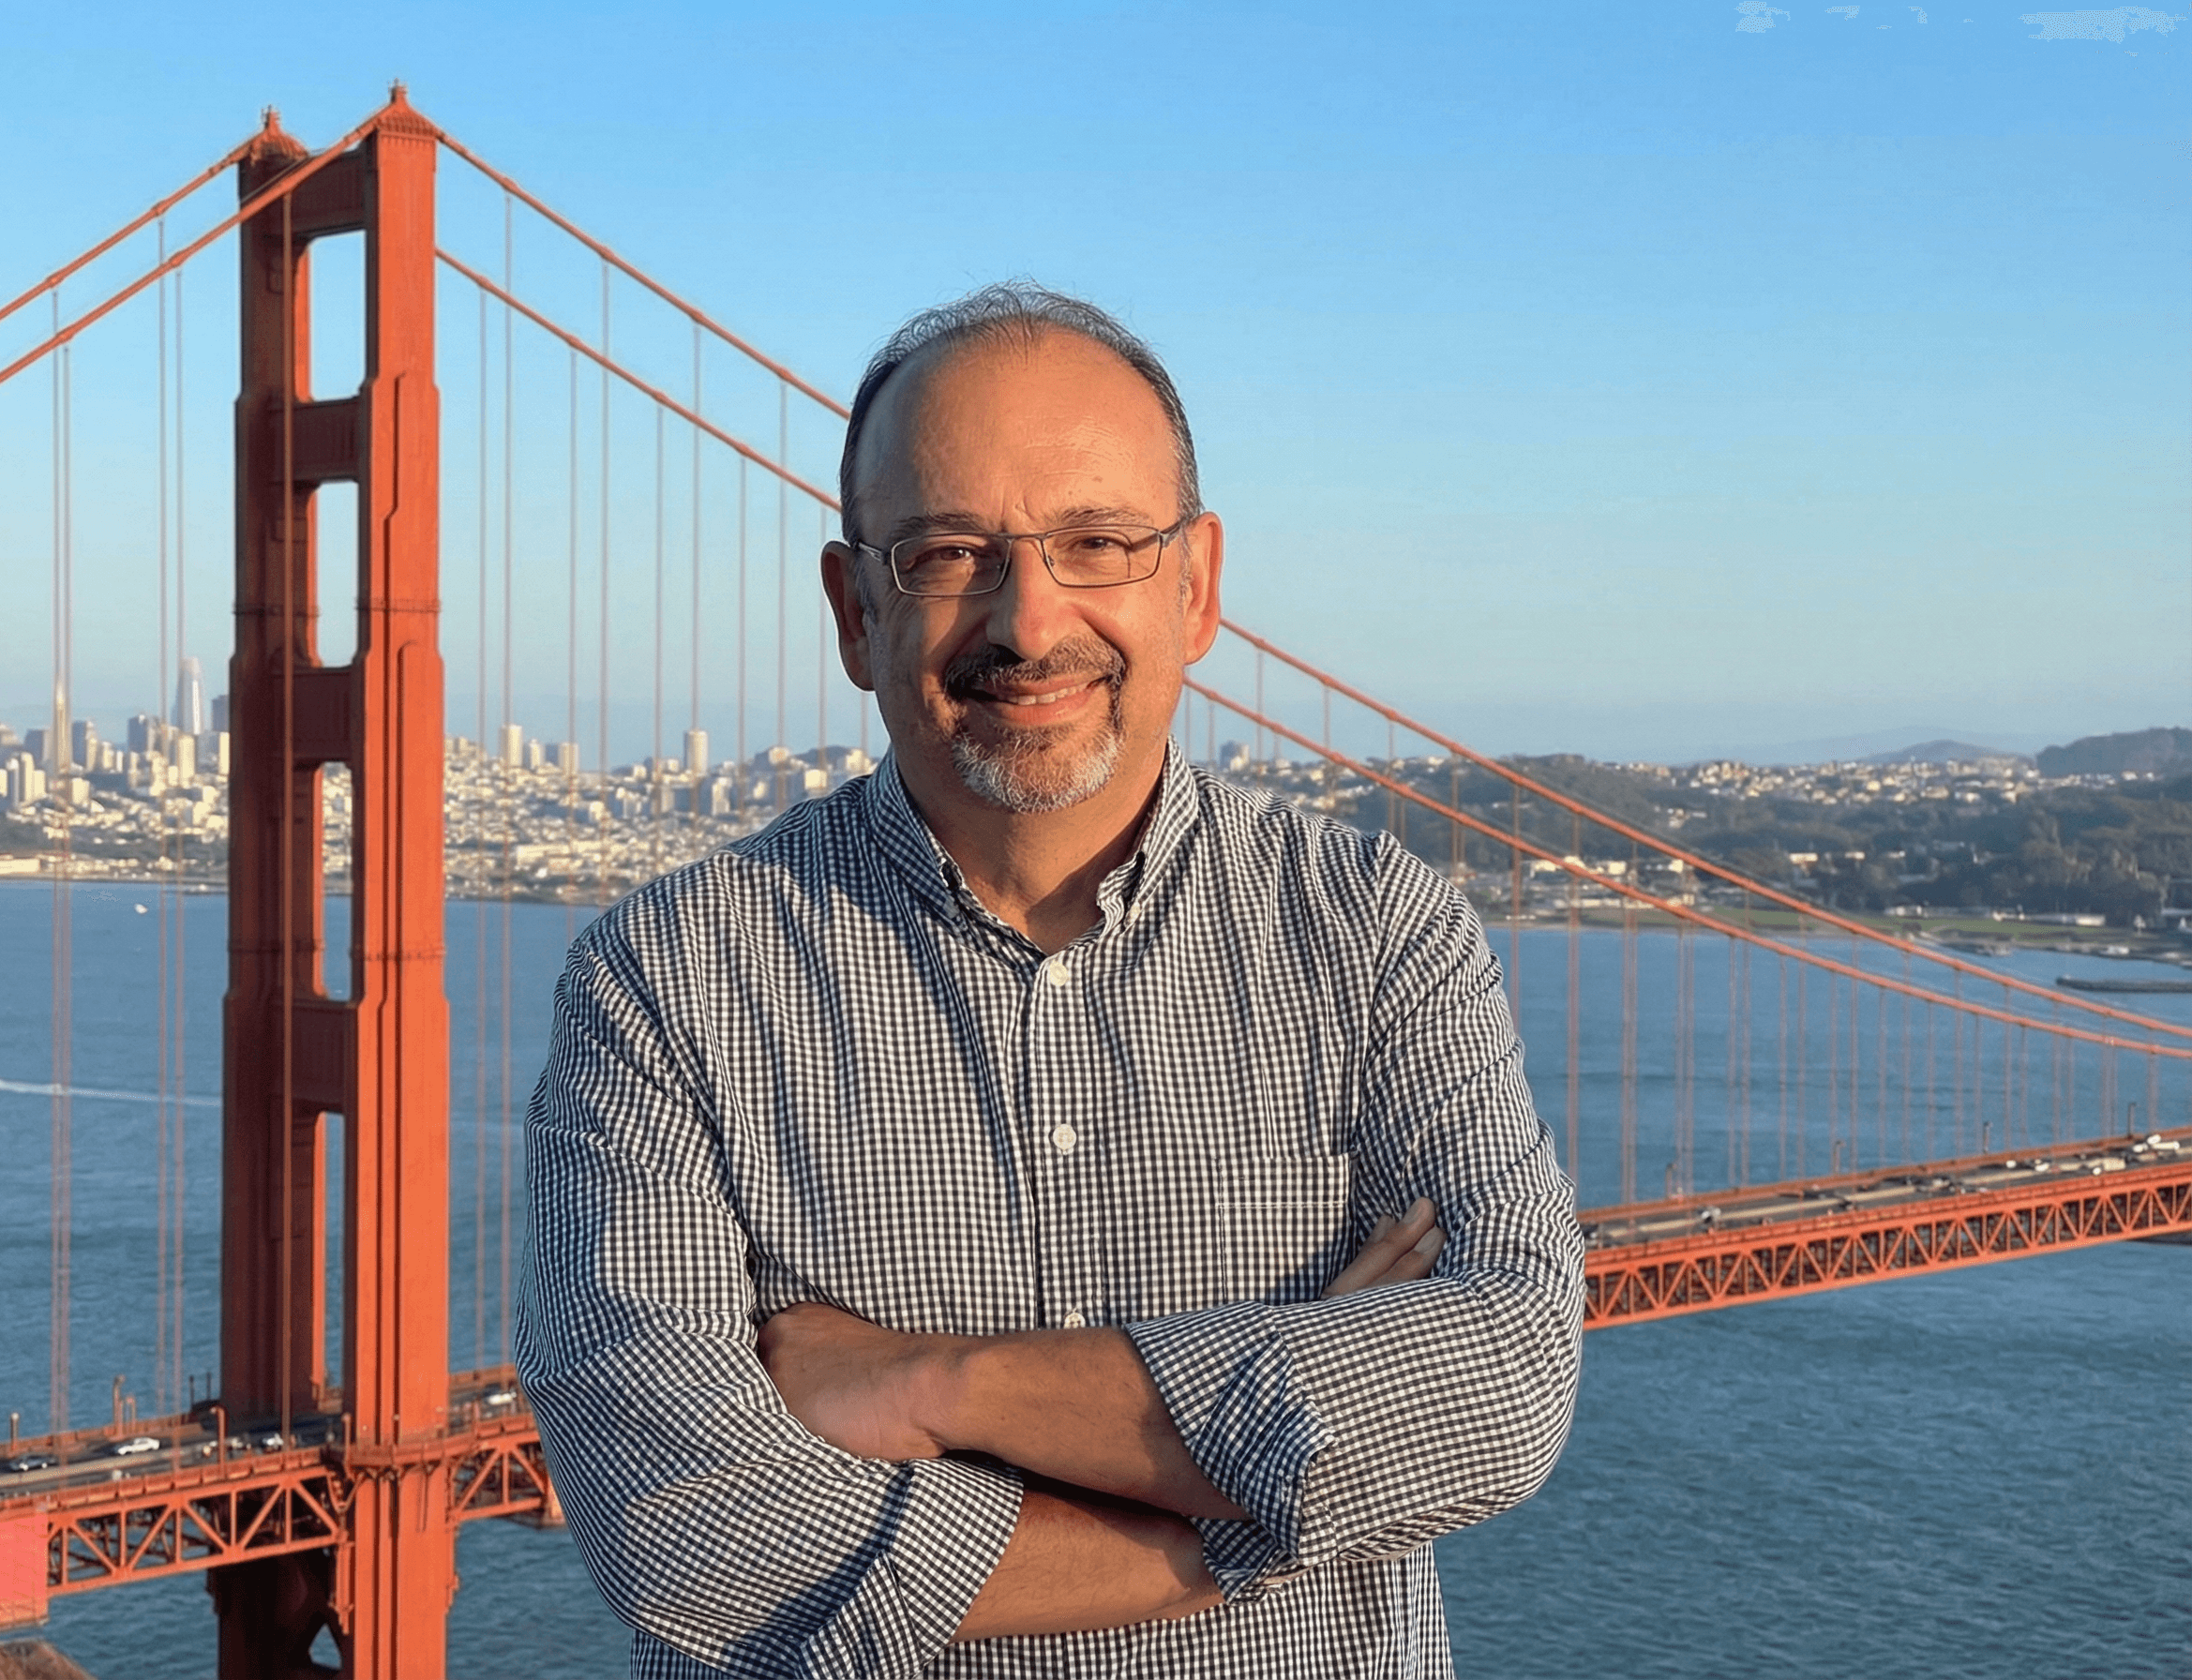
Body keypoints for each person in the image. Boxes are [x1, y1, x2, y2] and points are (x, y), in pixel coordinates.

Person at [516, 283, 1584, 1679]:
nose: (1029, 620)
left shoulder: (1381, 930)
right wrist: (1259, 1506)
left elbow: (1501, 1387)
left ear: (1195, 589)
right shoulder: (662, 983)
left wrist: (935, 1382)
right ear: (853, 613)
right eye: (950, 552)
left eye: (1098, 543)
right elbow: (686, 1520)